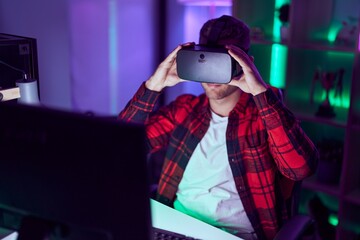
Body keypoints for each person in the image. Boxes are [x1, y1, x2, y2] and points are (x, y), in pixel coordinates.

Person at [118, 15, 319, 240]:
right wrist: (153, 86)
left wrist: (260, 92)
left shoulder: (264, 117)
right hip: (177, 228)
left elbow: (301, 168)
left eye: (221, 61)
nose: (212, 75)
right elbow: (119, 149)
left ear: (245, 63)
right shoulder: (184, 110)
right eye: (205, 59)